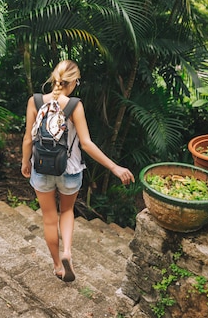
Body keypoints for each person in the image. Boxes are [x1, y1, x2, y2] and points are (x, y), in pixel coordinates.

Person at [21, 60, 134, 282]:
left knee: (49, 219)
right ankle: (67, 252)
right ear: (73, 82)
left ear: (54, 78)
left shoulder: (34, 102)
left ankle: (57, 266)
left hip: (41, 169)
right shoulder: (74, 105)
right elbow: (86, 144)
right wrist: (114, 167)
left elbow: (28, 138)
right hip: (70, 170)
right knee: (67, 212)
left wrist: (26, 162)